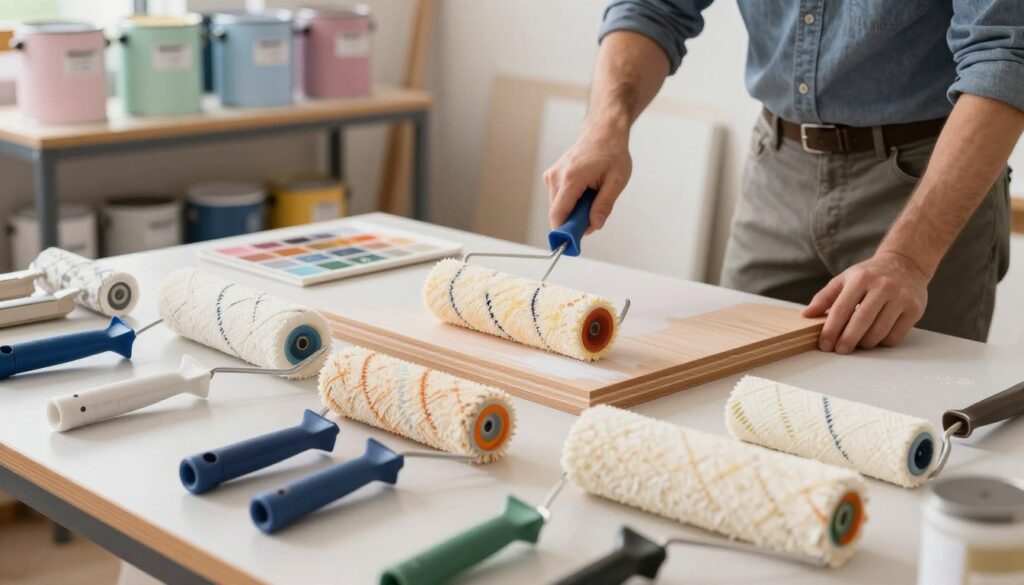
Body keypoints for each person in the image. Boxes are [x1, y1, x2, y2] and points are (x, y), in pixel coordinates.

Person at [544, 2, 1024, 353]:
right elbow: (653, 8)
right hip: (777, 169)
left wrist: (909, 261)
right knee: (729, 388)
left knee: (909, 419)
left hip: (925, 178)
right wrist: (604, 127)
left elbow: (1003, 58)